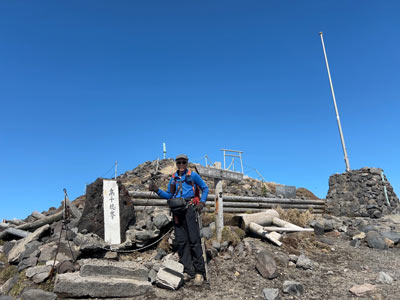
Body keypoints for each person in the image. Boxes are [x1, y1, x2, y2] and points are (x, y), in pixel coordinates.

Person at [149, 154, 209, 286]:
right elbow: (169, 195)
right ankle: (189, 271)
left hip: (190, 209)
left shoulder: (193, 175)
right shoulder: (173, 178)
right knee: (181, 241)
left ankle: (200, 272)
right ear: (176, 163)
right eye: (179, 163)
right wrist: (157, 190)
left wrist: (202, 203)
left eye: (184, 162)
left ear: (187, 163)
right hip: (177, 211)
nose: (181, 165)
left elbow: (205, 188)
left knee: (194, 240)